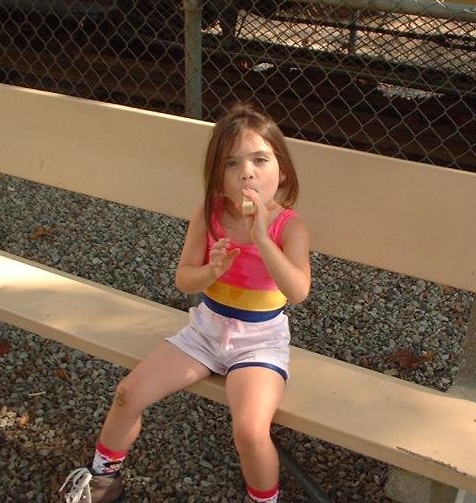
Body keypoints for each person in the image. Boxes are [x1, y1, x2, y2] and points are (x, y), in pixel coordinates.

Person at [60, 102, 311, 503]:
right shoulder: (209, 215)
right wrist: (212, 271)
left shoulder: (288, 227)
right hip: (204, 334)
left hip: (259, 343)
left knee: (249, 432)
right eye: (232, 164)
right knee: (127, 394)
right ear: (218, 179)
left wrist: (262, 240)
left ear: (281, 170)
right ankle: (103, 480)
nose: (247, 172)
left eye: (260, 160)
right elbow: (183, 278)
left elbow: (297, 291)